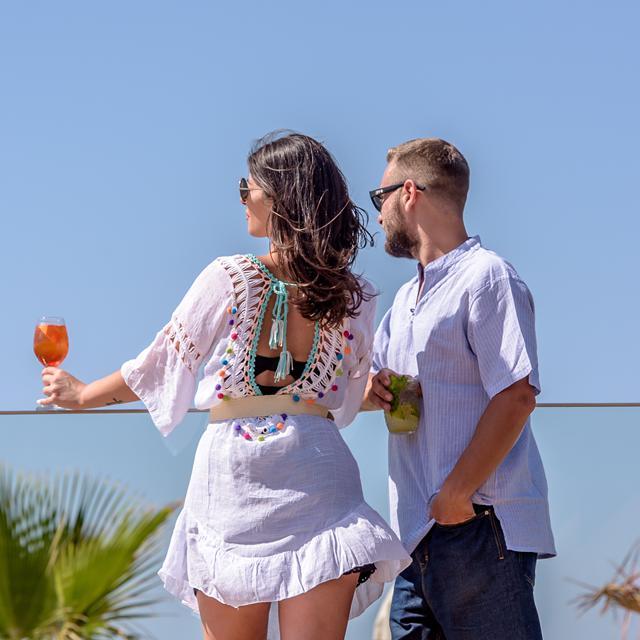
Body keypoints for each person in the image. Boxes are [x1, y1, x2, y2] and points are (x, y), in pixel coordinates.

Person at [39, 132, 411, 640]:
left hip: (232, 484)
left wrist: (82, 395)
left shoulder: (229, 277)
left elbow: (161, 365)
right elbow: (343, 400)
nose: (241, 199)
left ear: (278, 197)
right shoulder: (354, 295)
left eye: (246, 188)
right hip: (321, 476)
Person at [363, 138, 556, 640]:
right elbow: (367, 386)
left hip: (478, 525)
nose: (377, 213)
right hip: (416, 538)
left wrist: (456, 493)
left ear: (409, 192)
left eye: (379, 196)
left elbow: (517, 395)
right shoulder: (404, 300)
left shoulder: (487, 277)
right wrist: (373, 389)